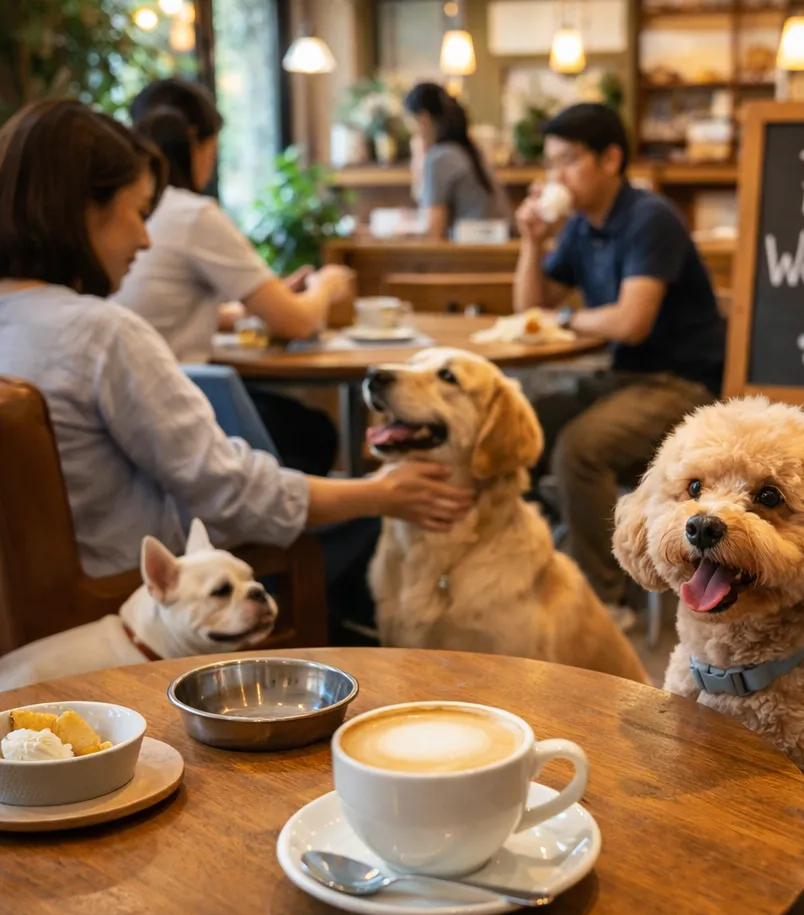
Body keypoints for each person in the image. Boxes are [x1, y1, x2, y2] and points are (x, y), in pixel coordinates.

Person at [0, 100, 473, 637]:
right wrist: (379, 493)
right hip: (130, 611)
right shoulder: (102, 335)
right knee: (363, 520)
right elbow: (229, 489)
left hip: (24, 626)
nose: (146, 239)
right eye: (137, 211)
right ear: (86, 208)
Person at [514, 103, 725, 629]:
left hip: (681, 384)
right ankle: (532, 565)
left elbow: (631, 322)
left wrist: (563, 316)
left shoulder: (649, 218)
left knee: (580, 450)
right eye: (550, 164)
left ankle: (602, 604)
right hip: (624, 381)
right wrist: (530, 240)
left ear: (610, 158)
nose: (555, 176)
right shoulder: (581, 228)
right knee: (519, 429)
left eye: (567, 161)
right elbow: (527, 309)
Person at [113, 77, 349, 475]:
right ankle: (306, 531)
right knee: (313, 433)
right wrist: (327, 284)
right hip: (175, 409)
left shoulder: (124, 211)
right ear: (196, 142)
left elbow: (154, 307)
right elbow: (301, 322)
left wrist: (241, 312)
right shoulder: (192, 213)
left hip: (128, 406)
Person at [405, 82, 508, 240]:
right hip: (493, 244)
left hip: (469, 253)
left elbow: (434, 231)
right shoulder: (467, 150)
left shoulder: (439, 157)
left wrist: (419, 160)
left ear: (423, 119)